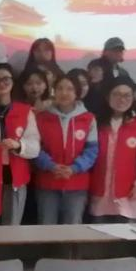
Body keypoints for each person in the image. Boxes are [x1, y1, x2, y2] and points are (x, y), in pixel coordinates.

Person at [0, 63, 40, 226]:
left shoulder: (25, 111)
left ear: (13, 82)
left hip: (15, 175)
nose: (1, 83)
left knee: (11, 227)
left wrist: (18, 145)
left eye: (6, 79)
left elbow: (35, 146)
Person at [89, 78, 136, 224]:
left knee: (125, 235)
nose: (122, 99)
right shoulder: (95, 121)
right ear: (107, 96)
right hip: (99, 193)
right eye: (116, 94)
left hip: (128, 194)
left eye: (127, 95)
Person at [33, 75, 98, 225]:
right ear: (53, 91)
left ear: (77, 92)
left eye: (69, 89)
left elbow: (92, 150)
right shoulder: (42, 118)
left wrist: (74, 168)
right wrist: (50, 165)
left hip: (76, 184)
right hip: (48, 182)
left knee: (72, 228)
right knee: (46, 226)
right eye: (60, 88)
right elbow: (36, 147)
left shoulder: (88, 119)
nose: (64, 93)